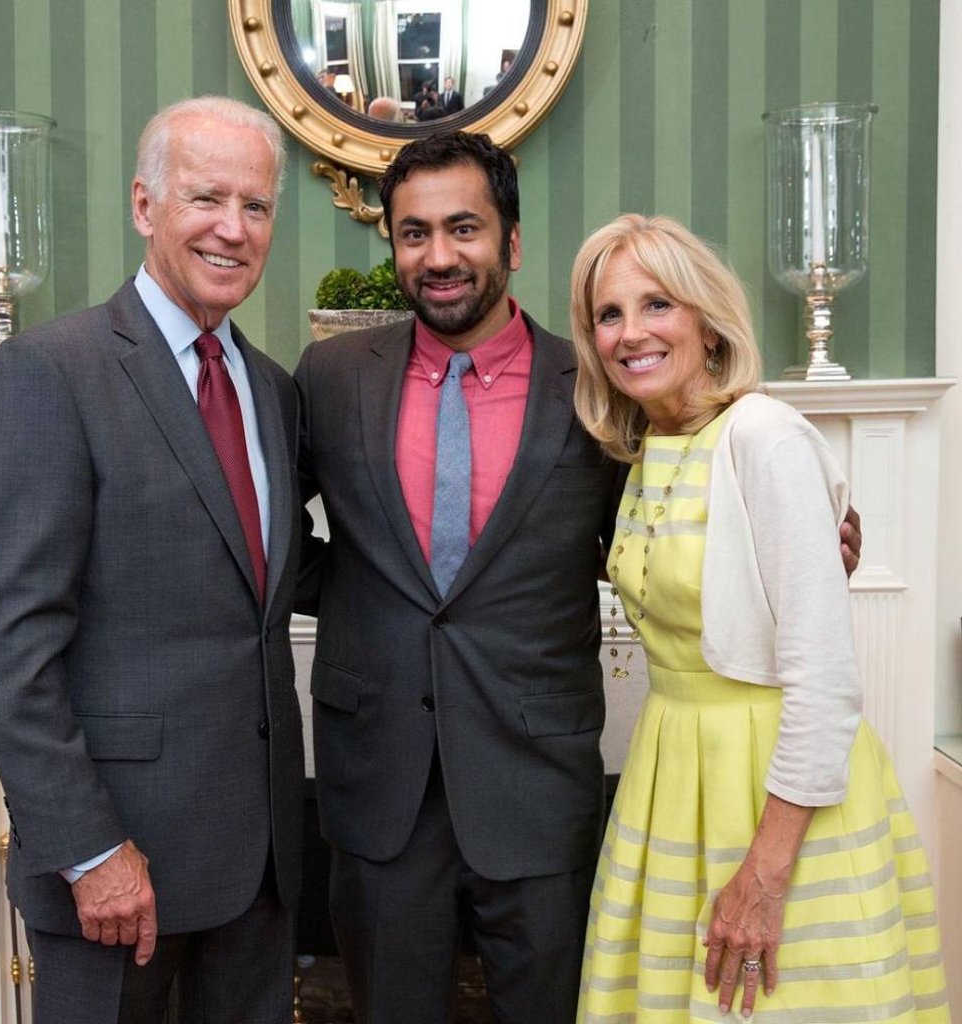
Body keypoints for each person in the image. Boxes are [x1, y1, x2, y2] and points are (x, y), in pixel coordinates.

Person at [294, 133, 862, 1023]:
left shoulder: (600, 385)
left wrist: (815, 532)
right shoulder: (330, 377)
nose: (438, 256)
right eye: (413, 234)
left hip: (535, 779)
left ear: (511, 244)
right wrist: (355, 598)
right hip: (377, 787)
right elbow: (264, 525)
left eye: (463, 228)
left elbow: (675, 509)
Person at [0, 96, 305, 1024]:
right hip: (115, 879)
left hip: (261, 869)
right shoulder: (48, 372)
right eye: (207, 198)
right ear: (145, 205)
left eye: (258, 205)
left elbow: (272, 582)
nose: (234, 229)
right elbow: (7, 646)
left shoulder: (271, 389)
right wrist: (89, 849)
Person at [569, 214, 949, 1022]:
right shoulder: (645, 449)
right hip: (671, 772)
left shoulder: (764, 437)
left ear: (708, 321)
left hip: (775, 794)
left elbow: (826, 682)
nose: (631, 332)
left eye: (658, 304)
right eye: (609, 314)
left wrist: (765, 874)